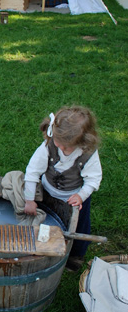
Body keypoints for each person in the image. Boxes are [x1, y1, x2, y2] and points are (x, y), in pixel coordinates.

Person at [24, 106, 102, 270]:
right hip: (48, 192)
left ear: (82, 142)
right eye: (58, 143)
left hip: (74, 197)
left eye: (66, 146)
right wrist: (29, 200)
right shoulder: (49, 146)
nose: (60, 147)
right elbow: (32, 173)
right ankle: (43, 248)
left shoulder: (88, 153)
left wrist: (81, 195)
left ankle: (75, 255)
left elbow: (93, 180)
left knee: (79, 227)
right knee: (45, 221)